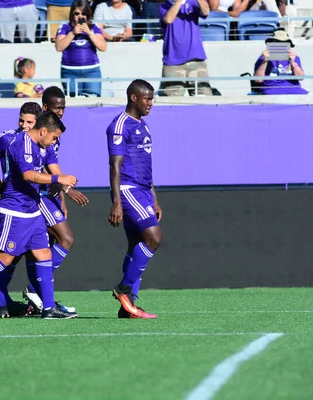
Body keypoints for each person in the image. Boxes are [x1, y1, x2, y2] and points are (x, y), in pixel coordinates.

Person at [0, 112, 79, 320]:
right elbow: (28, 175)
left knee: (44, 255)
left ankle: (49, 308)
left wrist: (62, 185)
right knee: (4, 258)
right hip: (15, 211)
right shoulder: (19, 143)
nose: (55, 142)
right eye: (54, 137)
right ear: (43, 131)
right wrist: (59, 178)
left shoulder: (43, 146)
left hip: (33, 210)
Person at [21, 86, 89, 314]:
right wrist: (68, 190)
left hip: (49, 195)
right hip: (36, 196)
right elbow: (38, 170)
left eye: (63, 108)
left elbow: (53, 168)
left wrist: (62, 196)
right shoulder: (35, 133)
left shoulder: (54, 134)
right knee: (66, 238)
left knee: (40, 250)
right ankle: (33, 290)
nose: (61, 112)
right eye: (56, 107)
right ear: (45, 107)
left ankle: (38, 297)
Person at [0, 101, 45, 318]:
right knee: (8, 255)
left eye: (29, 122)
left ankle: (3, 301)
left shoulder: (43, 141)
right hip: (13, 205)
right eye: (21, 120)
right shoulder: (8, 138)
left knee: (27, 253)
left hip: (35, 203)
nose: (24, 125)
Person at [107, 79, 161, 319]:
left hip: (142, 190)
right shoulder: (120, 125)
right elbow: (115, 164)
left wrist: (154, 198)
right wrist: (117, 201)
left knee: (135, 245)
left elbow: (145, 165)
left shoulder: (144, 125)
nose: (151, 103)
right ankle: (124, 290)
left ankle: (127, 308)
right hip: (128, 189)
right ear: (133, 98)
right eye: (147, 98)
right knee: (154, 238)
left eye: (152, 98)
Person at [159, 0, 212, 96]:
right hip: (173, 62)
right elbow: (168, 19)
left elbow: (206, 11)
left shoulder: (192, 3)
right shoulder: (164, 6)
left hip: (196, 59)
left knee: (204, 97)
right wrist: (180, 2)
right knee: (172, 100)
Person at [55, 0, 106, 97]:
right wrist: (72, 33)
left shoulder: (94, 26)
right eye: (77, 14)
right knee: (74, 102)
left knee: (93, 101)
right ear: (72, 14)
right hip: (70, 72)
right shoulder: (65, 26)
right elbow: (59, 47)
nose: (80, 17)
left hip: (92, 71)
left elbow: (102, 47)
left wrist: (89, 33)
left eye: (83, 14)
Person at [253, 29, 307, 95]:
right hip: (271, 89)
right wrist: (265, 61)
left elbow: (300, 77)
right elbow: (258, 80)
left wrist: (292, 62)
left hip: (293, 89)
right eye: (277, 43)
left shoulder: (294, 57)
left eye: (284, 44)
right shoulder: (263, 58)